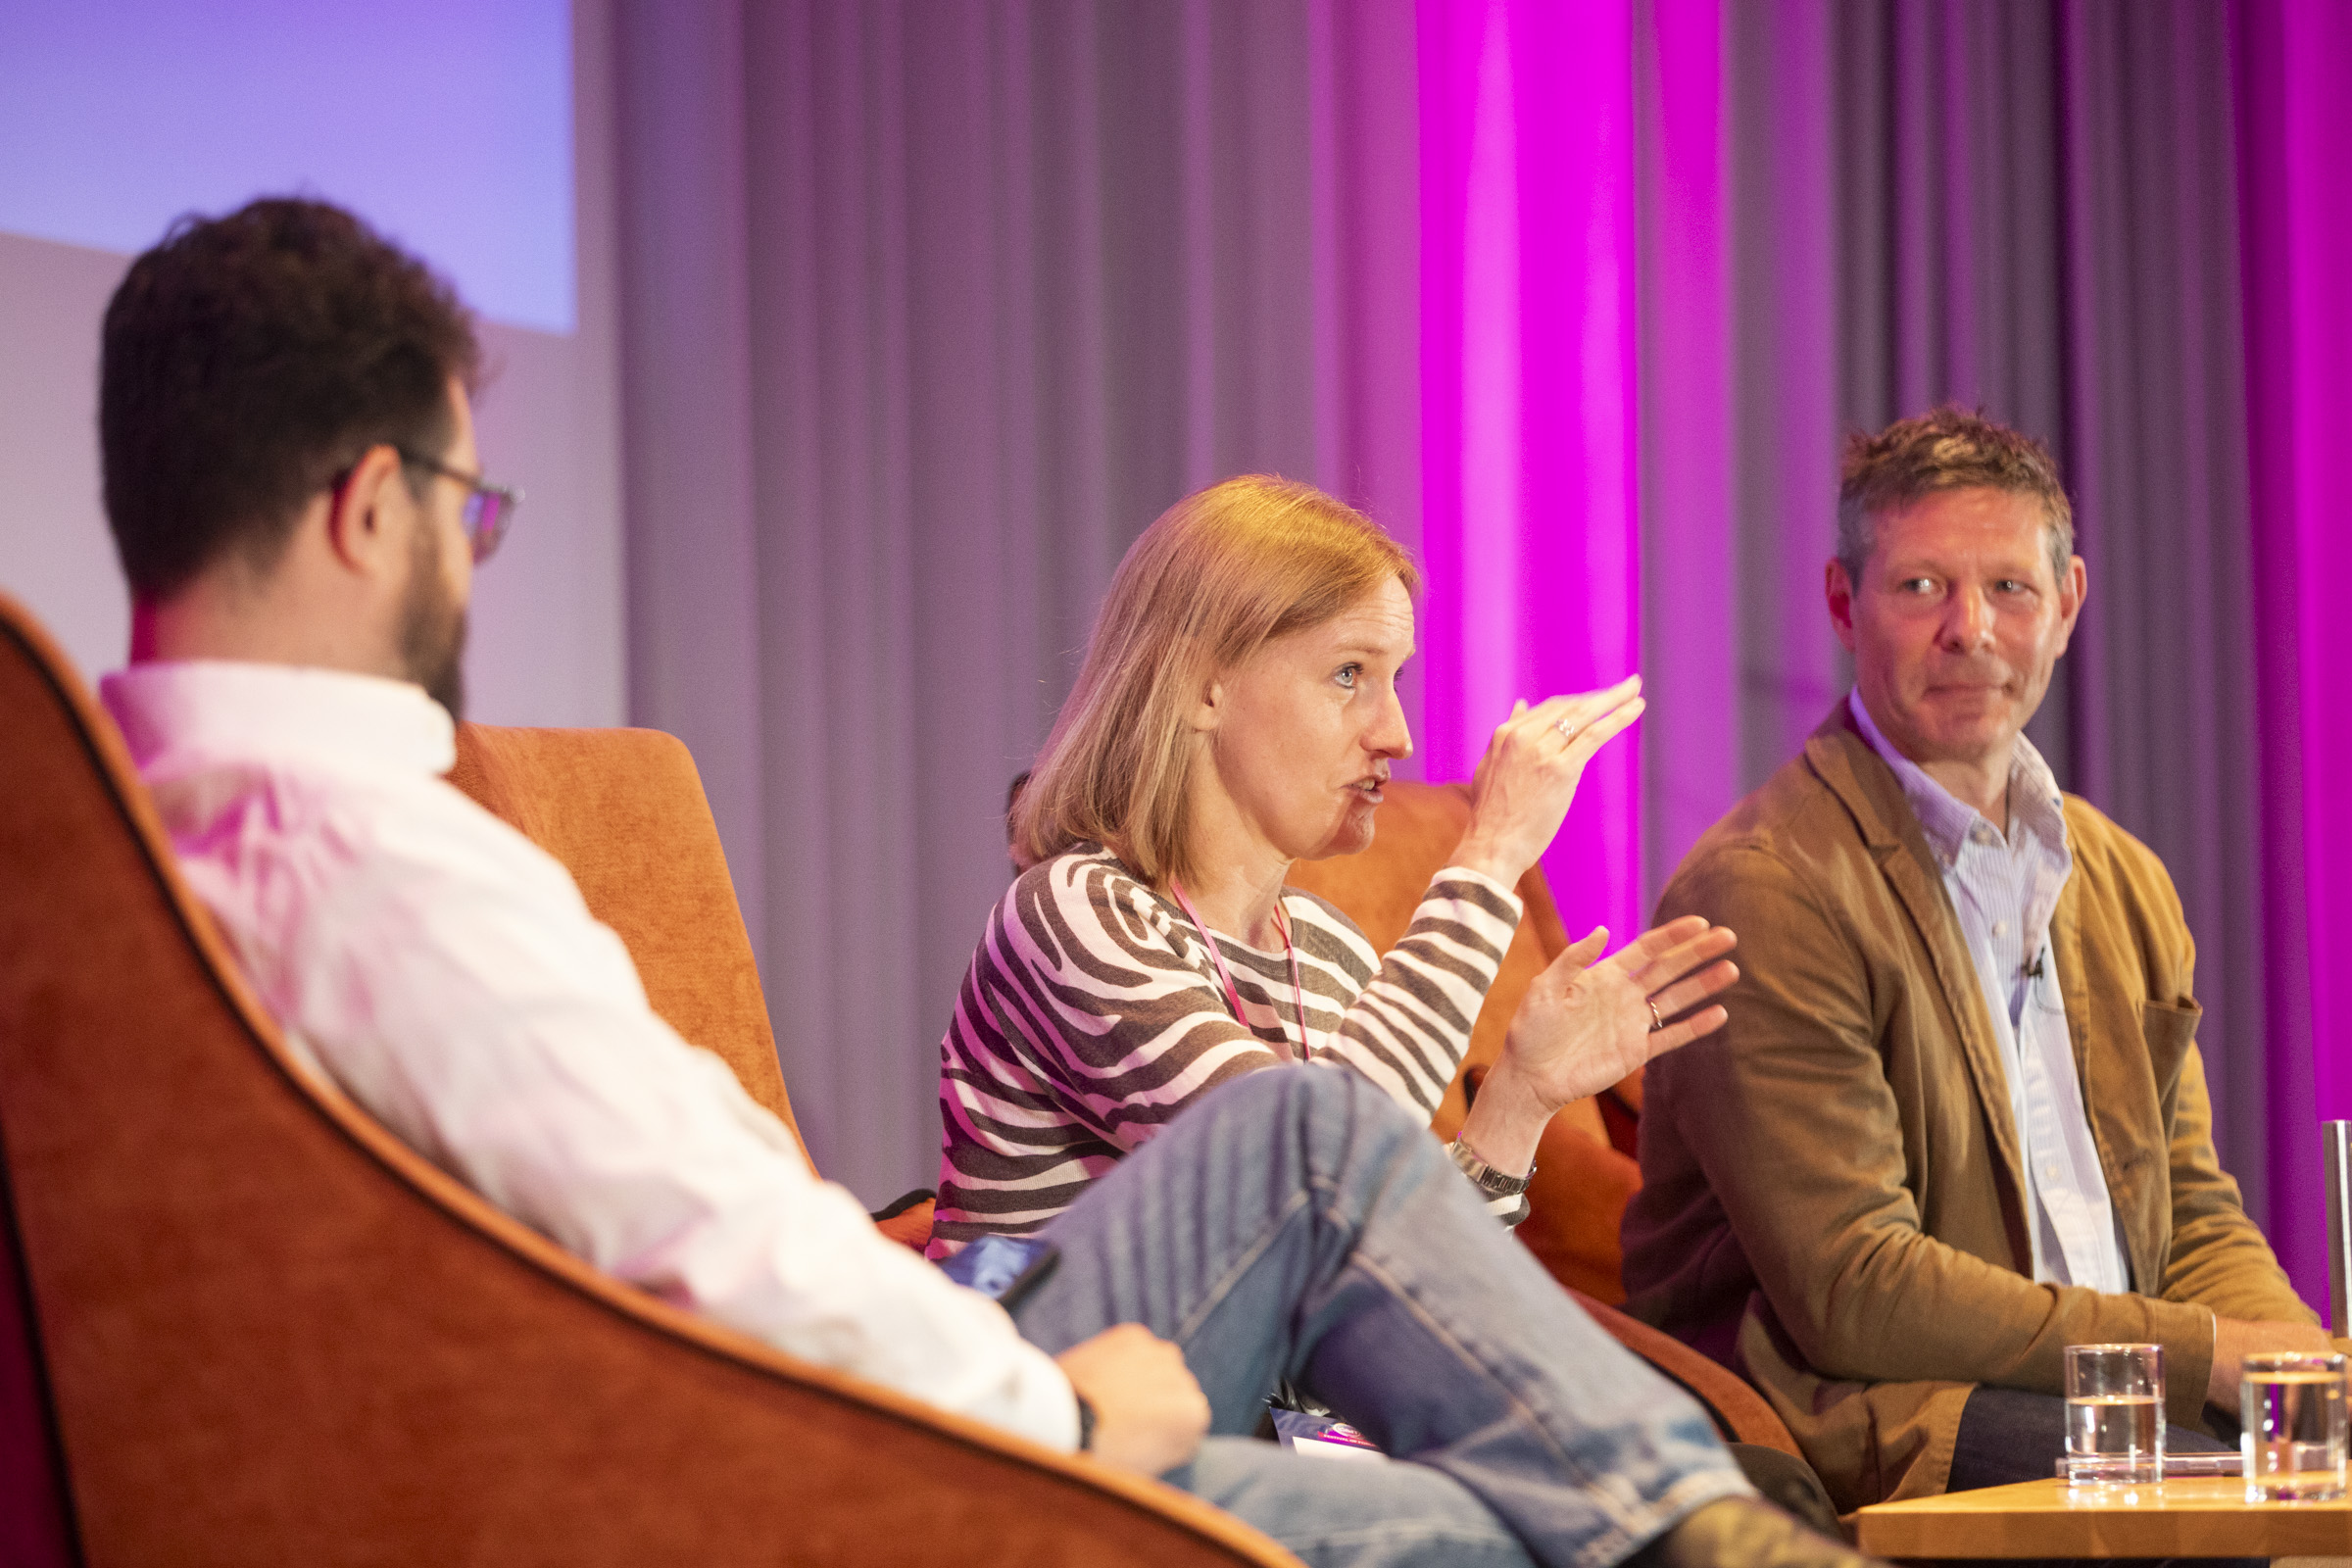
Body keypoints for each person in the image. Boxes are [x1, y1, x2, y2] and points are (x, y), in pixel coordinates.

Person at [93, 196, 1870, 1568]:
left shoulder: (139, 864)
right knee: (1324, 1176)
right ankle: (1699, 1529)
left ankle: (1684, 1526)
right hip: (854, 1443)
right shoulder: (371, 859)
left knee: (1490, 1508)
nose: (1393, 731)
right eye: (472, 514)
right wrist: (1045, 1402)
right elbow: (705, 1236)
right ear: (371, 509)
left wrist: (1519, 1098)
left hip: (921, 1396)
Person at [1621, 407, 2328, 1519]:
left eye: (2009, 588)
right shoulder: (1765, 889)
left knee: (2313, 1458)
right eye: (1921, 588)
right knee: (2204, 1500)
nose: (1971, 630)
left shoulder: (2124, 877)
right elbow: (1858, 1290)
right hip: (1866, 1408)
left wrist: (2298, 1369)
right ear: (1844, 604)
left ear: (2068, 605)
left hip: (2107, 1389)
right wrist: (2205, 1359)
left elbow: (2189, 1213)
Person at [932, 474, 1739, 1255]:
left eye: (1396, 680)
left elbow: (1390, 1261)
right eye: (1349, 675)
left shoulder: (1327, 951)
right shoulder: (1074, 912)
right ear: (1201, 688)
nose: (1398, 735)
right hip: (1072, 1349)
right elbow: (1304, 1177)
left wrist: (1521, 1096)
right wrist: (1489, 855)